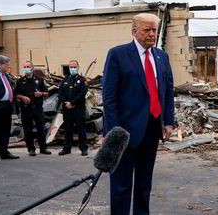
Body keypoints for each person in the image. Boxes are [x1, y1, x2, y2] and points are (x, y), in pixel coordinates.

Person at [102, 13, 175, 214]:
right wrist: (115, 132)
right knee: (121, 186)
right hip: (124, 132)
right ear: (134, 31)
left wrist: (169, 121)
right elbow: (109, 97)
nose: (152, 34)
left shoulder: (161, 56)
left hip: (151, 130)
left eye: (154, 30)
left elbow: (168, 90)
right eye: (147, 30)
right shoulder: (118, 54)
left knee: (144, 185)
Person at [14, 61, 51, 156]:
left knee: (41, 129)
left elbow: (47, 93)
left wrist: (41, 94)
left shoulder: (39, 79)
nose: (26, 68)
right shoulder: (20, 81)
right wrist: (22, 97)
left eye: (28, 66)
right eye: (25, 67)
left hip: (38, 108)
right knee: (27, 130)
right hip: (26, 109)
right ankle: (31, 149)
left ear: (32, 68)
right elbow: (16, 95)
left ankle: (43, 148)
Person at [58, 60, 88, 156]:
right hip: (67, 109)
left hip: (78, 108)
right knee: (68, 129)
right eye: (71, 67)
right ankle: (67, 148)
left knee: (81, 129)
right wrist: (66, 103)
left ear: (78, 67)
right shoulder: (65, 80)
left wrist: (73, 103)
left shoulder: (82, 80)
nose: (72, 68)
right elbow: (60, 93)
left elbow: (82, 93)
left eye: (74, 66)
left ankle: (83, 148)